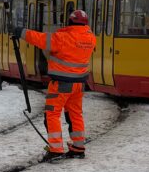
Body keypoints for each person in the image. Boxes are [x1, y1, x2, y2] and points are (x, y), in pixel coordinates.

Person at [13, 9, 97, 162]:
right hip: (79, 84)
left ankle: (56, 150)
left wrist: (21, 32)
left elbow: (39, 38)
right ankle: (78, 148)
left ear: (70, 21)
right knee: (75, 114)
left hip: (61, 84)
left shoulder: (63, 38)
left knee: (52, 114)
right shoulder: (91, 38)